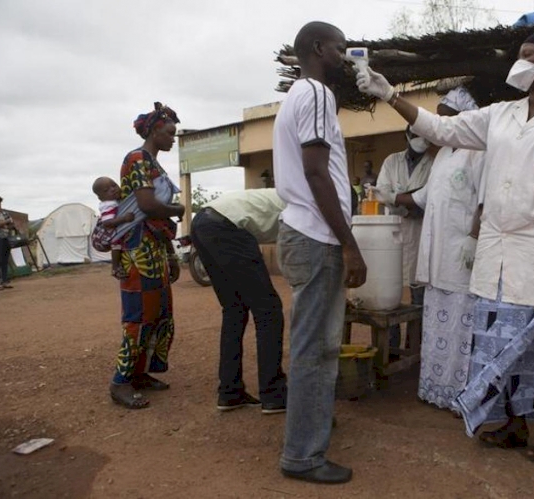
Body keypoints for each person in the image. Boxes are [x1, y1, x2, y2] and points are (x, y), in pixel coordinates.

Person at [358, 29, 534, 463]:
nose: (520, 61)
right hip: (497, 257)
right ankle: (513, 426)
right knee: (496, 345)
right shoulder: (500, 116)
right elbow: (442, 127)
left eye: (528, 55)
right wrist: (388, 95)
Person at [272, 21, 367, 485]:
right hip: (316, 236)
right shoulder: (316, 93)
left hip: (304, 232)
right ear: (317, 48)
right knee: (315, 348)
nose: (345, 56)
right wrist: (349, 243)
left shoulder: (298, 96)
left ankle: (310, 422)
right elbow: (315, 171)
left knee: (319, 344)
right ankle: (302, 456)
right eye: (340, 48)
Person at [384, 87, 484, 410]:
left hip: (461, 258)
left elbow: (485, 199)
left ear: (463, 119)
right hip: (437, 259)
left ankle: (462, 398)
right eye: (438, 117)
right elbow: (423, 197)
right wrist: (389, 197)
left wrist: (474, 236)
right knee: (438, 327)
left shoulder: (478, 151)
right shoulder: (442, 155)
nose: (438, 123)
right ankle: (436, 390)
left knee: (463, 331)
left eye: (444, 117)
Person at [109, 102, 185, 410]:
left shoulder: (154, 164)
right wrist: (178, 210)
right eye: (170, 132)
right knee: (139, 316)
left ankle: (140, 374)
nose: (173, 138)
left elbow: (157, 220)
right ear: (155, 130)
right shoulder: (137, 159)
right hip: (136, 249)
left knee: (159, 314)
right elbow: (148, 206)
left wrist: (171, 254)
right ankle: (120, 381)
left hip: (154, 247)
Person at [190, 188, 287, 414]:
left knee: (234, 309)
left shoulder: (289, 193)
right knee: (269, 309)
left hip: (202, 222)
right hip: (228, 226)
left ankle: (230, 392)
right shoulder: (304, 205)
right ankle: (274, 394)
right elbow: (290, 252)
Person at [372, 126, 433, 351]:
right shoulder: (391, 161)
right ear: (407, 136)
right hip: (393, 232)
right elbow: (382, 193)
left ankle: (414, 348)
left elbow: (428, 199)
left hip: (420, 234)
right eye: (417, 136)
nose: (421, 141)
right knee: (392, 292)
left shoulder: (434, 163)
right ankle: (392, 347)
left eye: (425, 137)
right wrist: (409, 200)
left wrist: (399, 199)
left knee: (419, 295)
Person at [92, 177, 136, 279]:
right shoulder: (108, 205)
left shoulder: (117, 200)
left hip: (115, 229)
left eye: (114, 185)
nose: (112, 189)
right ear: (101, 198)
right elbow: (107, 223)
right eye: (106, 190)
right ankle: (115, 267)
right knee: (116, 245)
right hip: (110, 233)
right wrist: (124, 219)